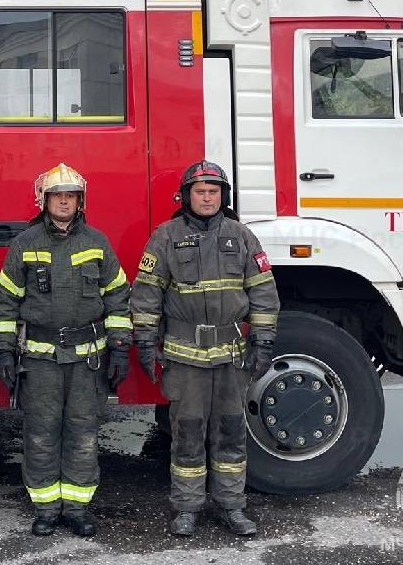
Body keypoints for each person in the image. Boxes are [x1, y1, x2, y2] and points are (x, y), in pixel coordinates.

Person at [130, 161, 280, 537]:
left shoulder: (242, 236)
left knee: (231, 432)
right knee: (187, 434)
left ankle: (232, 506)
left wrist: (262, 342)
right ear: (186, 197)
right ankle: (187, 508)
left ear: (223, 196)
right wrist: (146, 344)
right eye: (201, 191)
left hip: (232, 357)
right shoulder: (165, 237)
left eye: (214, 191)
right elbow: (146, 296)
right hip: (184, 358)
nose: (208, 197)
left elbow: (263, 293)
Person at [0, 163, 131, 538]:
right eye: (57, 195)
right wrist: (4, 349)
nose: (64, 201)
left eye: (70, 195)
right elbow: (5, 302)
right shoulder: (26, 244)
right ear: (44, 200)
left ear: (80, 201)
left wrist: (119, 348)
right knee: (40, 434)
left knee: (83, 434)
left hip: (88, 360)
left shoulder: (97, 244)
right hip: (40, 361)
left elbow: (118, 299)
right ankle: (46, 509)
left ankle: (77, 507)